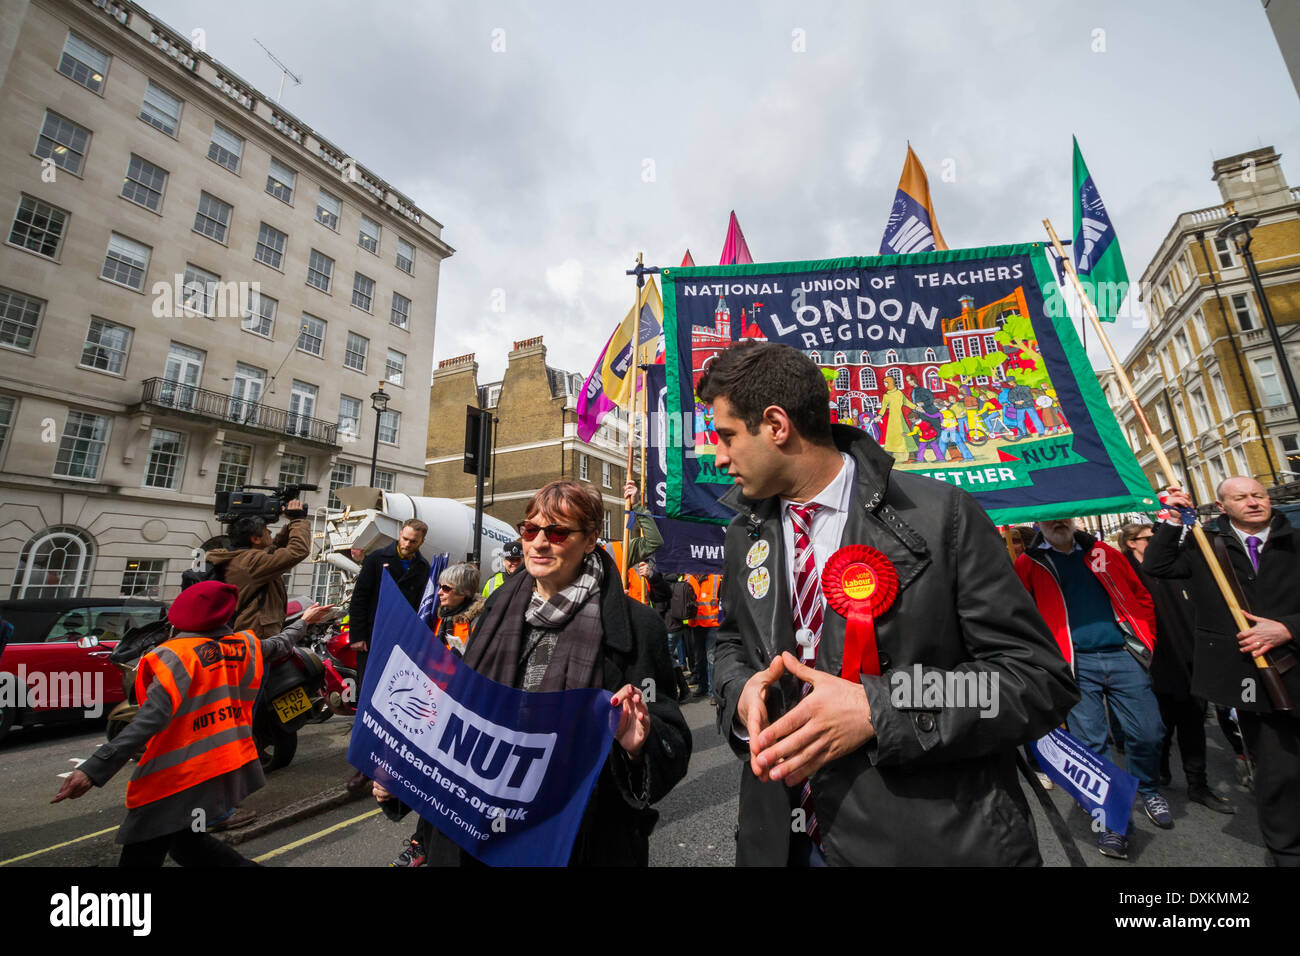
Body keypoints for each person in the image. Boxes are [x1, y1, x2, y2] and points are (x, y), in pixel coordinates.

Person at [696, 341, 1077, 866]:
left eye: (726, 437)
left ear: (777, 424)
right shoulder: (744, 533)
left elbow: (1035, 680)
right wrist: (741, 694)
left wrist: (880, 709)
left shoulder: (943, 514)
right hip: (780, 841)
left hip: (922, 837)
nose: (718, 458)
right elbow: (734, 642)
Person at [374, 479, 690, 866]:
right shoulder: (493, 611)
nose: (540, 542)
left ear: (590, 540)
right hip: (478, 830)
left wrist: (640, 744)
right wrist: (402, 776)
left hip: (575, 836)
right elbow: (460, 716)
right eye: (530, 529)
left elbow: (670, 736)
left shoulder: (637, 626)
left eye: (558, 532)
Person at [51, 581, 334, 866]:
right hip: (225, 765)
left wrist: (94, 769)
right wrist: (305, 620)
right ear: (227, 616)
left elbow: (145, 723)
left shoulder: (171, 656)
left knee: (148, 852)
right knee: (188, 845)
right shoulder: (246, 645)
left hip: (176, 776)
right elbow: (281, 643)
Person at [1144, 479, 1300, 866]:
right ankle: (1287, 852)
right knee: (1278, 772)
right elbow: (1157, 565)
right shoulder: (1205, 544)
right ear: (1222, 505)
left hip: (1296, 660)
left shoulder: (1294, 541)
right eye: (1241, 498)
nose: (1252, 503)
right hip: (1254, 677)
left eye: (1258, 495)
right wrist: (1173, 520)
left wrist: (1288, 627)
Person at [1015, 517, 1168, 860]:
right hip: (1075, 666)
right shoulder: (1029, 563)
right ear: (1038, 521)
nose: (1058, 521)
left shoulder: (1104, 553)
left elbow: (1140, 597)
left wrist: (1145, 642)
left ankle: (1148, 788)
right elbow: (1019, 615)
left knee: (1148, 732)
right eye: (1050, 516)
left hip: (1122, 657)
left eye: (1064, 515)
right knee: (1091, 743)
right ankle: (1112, 820)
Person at [1117, 522, 1233, 813]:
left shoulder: (1173, 569)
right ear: (1132, 543)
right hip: (1152, 658)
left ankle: (1198, 784)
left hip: (1188, 654)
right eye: (1148, 537)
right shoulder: (1126, 571)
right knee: (1158, 726)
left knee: (1193, 722)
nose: (1154, 541)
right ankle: (1158, 772)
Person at [388, 561, 484, 867]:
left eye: (447, 589)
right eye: (440, 586)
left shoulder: (479, 620)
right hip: (435, 708)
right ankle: (422, 844)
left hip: (464, 712)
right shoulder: (443, 617)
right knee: (432, 785)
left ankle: (433, 846)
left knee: (449, 790)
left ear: (466, 593)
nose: (439, 593)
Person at [345, 518, 430, 795]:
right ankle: (362, 767)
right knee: (370, 704)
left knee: (395, 706)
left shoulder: (424, 568)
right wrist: (357, 636)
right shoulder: (375, 560)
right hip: (372, 641)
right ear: (399, 535)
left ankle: (387, 765)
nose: (406, 545)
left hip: (403, 647)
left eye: (413, 541)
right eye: (404, 539)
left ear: (421, 542)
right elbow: (359, 598)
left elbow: (423, 610)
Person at [205, 500, 311, 639]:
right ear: (255, 539)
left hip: (245, 631)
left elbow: (274, 549)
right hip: (255, 637)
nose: (270, 531)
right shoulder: (252, 562)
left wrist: (291, 524)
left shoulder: (240, 556)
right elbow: (297, 551)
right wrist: (298, 520)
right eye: (265, 530)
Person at [686, 571, 722, 702]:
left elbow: (722, 600)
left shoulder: (716, 578)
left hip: (712, 624)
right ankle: (702, 687)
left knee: (711, 658)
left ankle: (713, 692)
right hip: (696, 624)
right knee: (699, 658)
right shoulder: (689, 578)